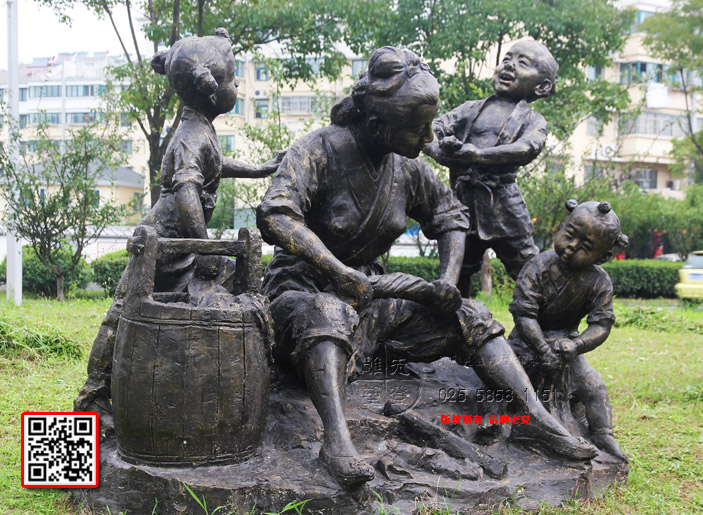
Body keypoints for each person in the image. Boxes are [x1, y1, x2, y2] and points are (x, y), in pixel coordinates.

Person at [257, 46, 596, 488]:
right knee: (327, 312)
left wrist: (447, 282)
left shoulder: (406, 167)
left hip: (373, 296)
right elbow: (276, 215)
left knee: (472, 315)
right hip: (301, 293)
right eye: (419, 128)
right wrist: (338, 272)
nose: (429, 138)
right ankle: (336, 442)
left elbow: (450, 215)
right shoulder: (318, 149)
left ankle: (533, 417)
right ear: (377, 125)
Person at [74, 28, 283, 421]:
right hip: (162, 245)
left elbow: (216, 166)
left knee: (198, 297)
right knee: (120, 315)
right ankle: (93, 397)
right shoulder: (190, 135)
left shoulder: (201, 129)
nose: (238, 85)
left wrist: (260, 168)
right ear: (211, 90)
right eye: (233, 79)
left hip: (178, 245)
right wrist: (203, 248)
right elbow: (187, 193)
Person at [425, 39, 557, 295]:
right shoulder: (470, 108)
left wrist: (479, 155)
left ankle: (542, 316)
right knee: (457, 269)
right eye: (507, 59)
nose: (509, 66)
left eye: (522, 63)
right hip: (463, 202)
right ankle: (454, 317)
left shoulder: (533, 119)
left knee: (527, 268)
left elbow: (527, 148)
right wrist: (442, 152)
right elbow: (430, 130)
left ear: (542, 86)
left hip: (505, 205)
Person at [508, 200, 629, 461]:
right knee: (506, 383)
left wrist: (577, 345)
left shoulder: (599, 282)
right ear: (562, 227)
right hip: (526, 341)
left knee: (594, 386)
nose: (571, 246)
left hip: (567, 345)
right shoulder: (538, 265)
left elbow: (601, 324)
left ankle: (603, 434)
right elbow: (524, 315)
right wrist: (543, 348)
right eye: (569, 234)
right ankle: (500, 423)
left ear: (603, 257)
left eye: (585, 246)